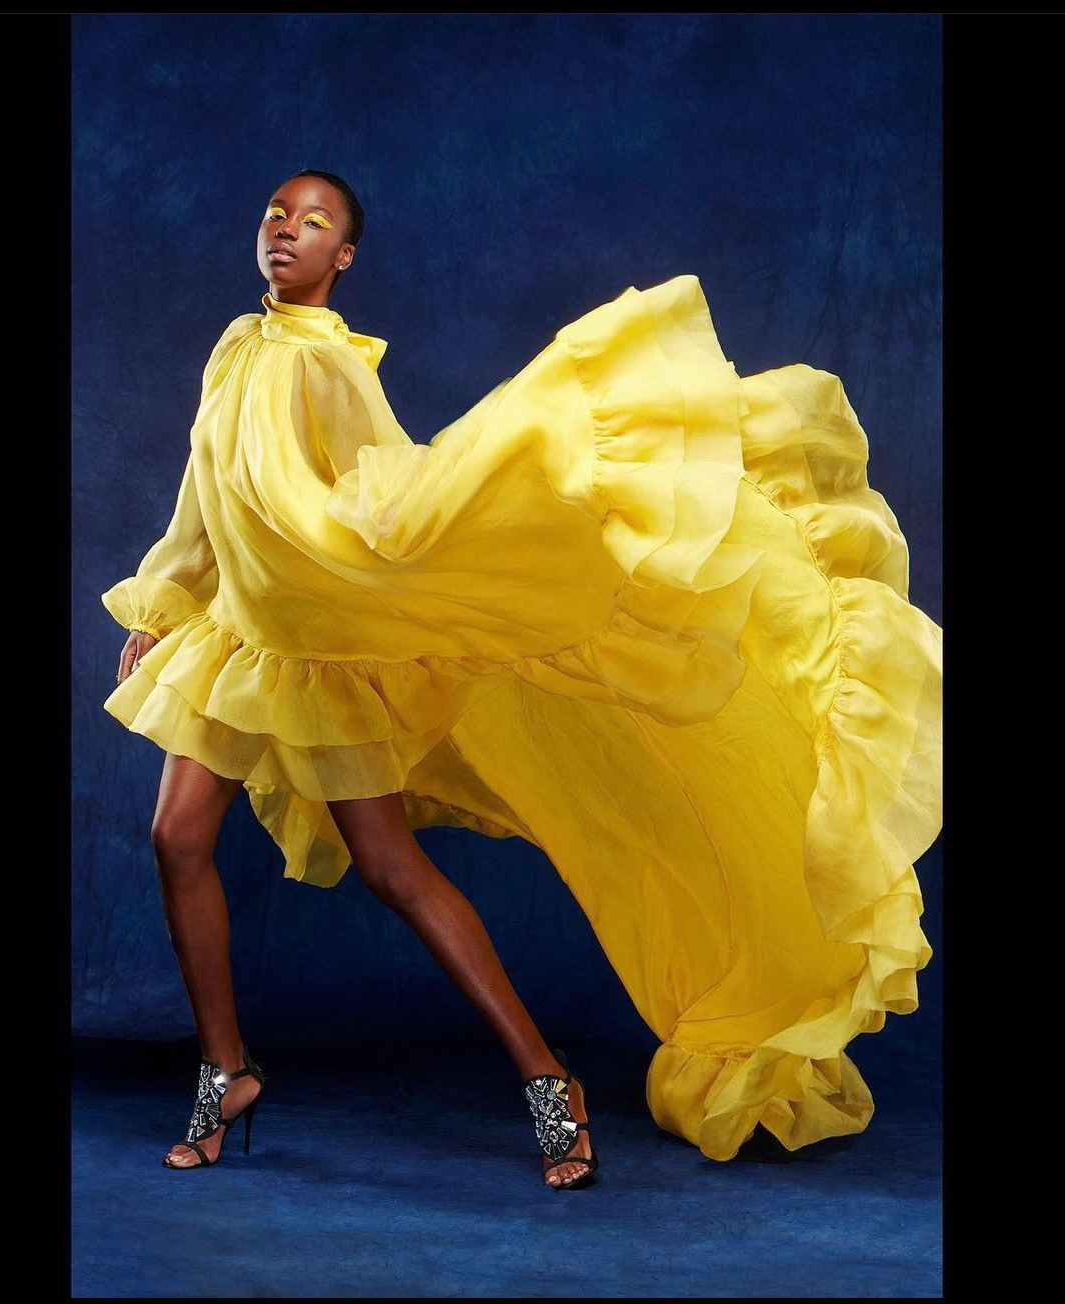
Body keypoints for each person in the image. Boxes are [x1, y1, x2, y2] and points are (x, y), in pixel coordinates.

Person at [102, 168, 943, 1189]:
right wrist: (161, 607)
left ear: (343, 256)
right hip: (238, 637)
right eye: (276, 214)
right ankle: (225, 1069)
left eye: (313, 222)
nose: (287, 231)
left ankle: (549, 1077)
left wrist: (433, 565)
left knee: (391, 868)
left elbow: (388, 492)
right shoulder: (237, 347)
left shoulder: (329, 365)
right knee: (177, 836)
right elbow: (205, 497)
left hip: (320, 648)